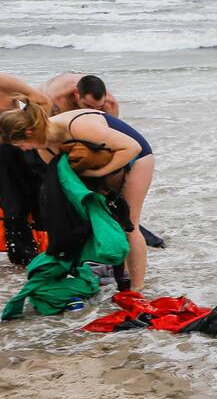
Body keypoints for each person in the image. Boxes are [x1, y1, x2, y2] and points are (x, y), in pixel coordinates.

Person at [0, 97, 155, 291]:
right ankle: (120, 276)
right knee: (107, 222)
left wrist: (97, 173)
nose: (23, 150)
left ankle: (138, 288)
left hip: (135, 159)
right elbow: (68, 181)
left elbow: (132, 147)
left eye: (20, 144)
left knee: (129, 224)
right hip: (103, 164)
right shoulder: (45, 149)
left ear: (29, 132)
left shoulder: (77, 127)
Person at [43, 73, 120, 117]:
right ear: (76, 94)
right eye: (89, 106)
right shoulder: (58, 98)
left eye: (98, 107)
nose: (93, 111)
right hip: (46, 91)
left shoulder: (110, 104)